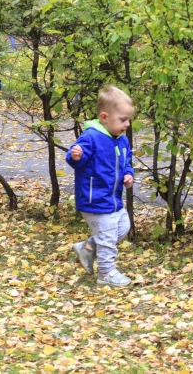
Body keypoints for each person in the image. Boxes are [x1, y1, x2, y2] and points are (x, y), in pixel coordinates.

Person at [66, 85, 135, 287]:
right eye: (123, 120)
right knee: (107, 238)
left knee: (123, 227)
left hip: (113, 198)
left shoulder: (121, 140)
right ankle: (106, 273)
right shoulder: (91, 136)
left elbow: (127, 162)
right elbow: (75, 157)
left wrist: (129, 174)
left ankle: (87, 248)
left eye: (128, 119)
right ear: (104, 117)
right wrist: (76, 156)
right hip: (94, 198)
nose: (127, 124)